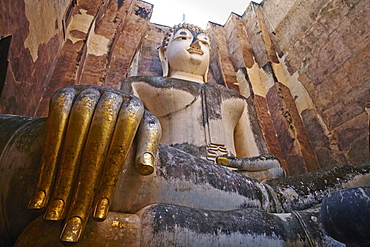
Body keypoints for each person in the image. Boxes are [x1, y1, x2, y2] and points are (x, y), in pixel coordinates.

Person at [1, 24, 369, 246]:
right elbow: (122, 136)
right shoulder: (144, 84)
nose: (195, 43)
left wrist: (240, 163)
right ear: (165, 51)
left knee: (343, 178)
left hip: (246, 185)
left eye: (203, 42)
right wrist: (101, 103)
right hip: (164, 169)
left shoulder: (235, 100)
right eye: (183, 37)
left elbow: (272, 166)